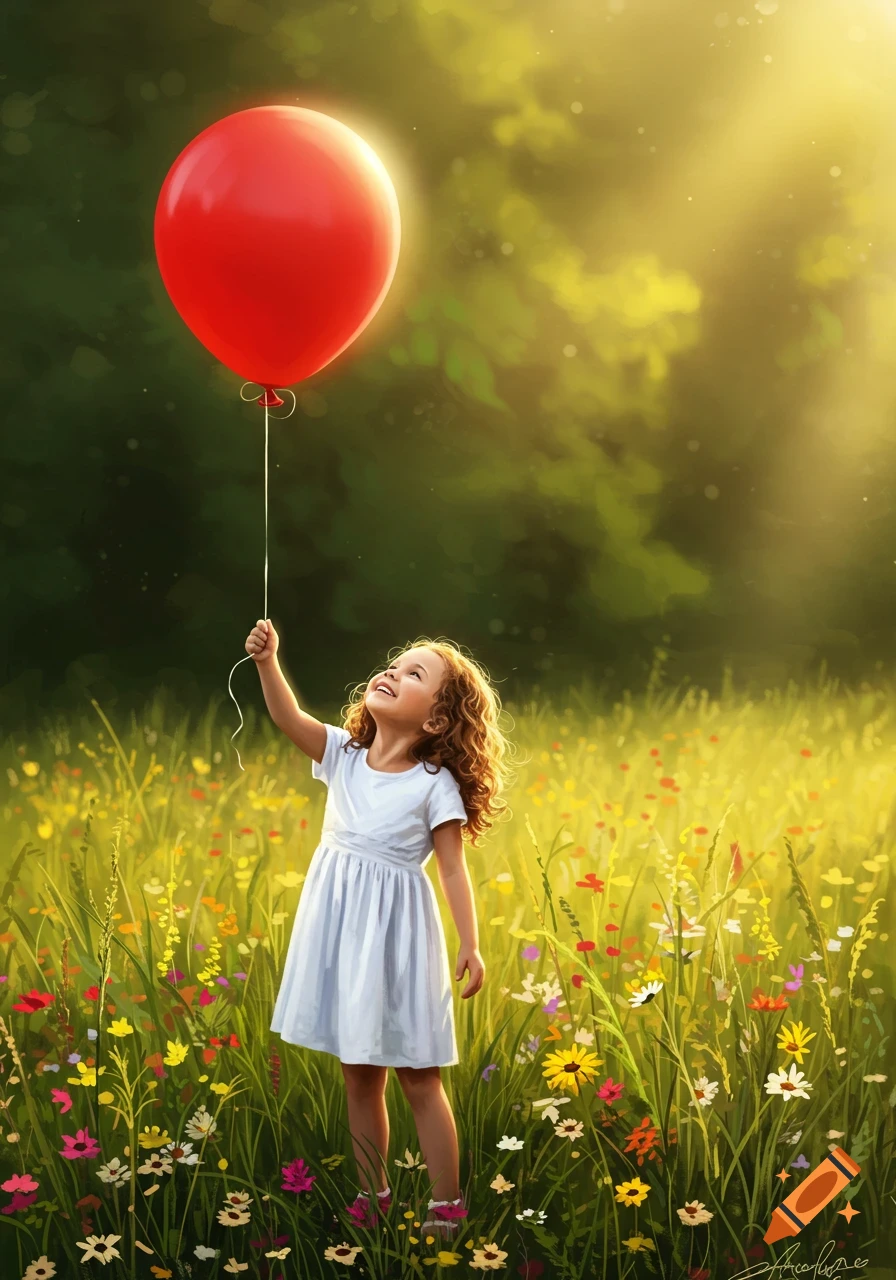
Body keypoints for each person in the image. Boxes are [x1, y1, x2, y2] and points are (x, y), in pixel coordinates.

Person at [246, 619, 514, 1238]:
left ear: (438, 722)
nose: (393, 672)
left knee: (418, 1075)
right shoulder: (343, 755)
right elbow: (289, 718)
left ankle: (447, 1205)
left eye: (414, 674)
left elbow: (451, 870)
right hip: (341, 935)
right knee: (358, 1072)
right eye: (395, 664)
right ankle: (376, 1195)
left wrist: (470, 944)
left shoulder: (433, 785)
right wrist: (268, 662)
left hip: (398, 940)